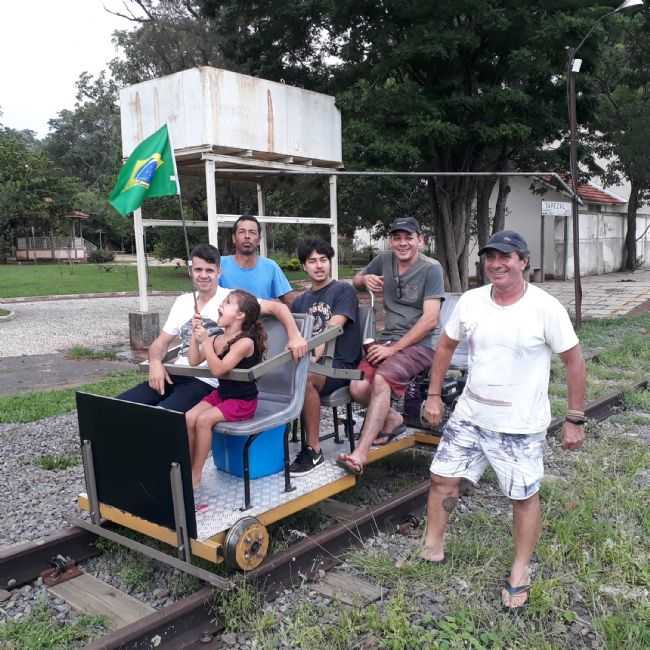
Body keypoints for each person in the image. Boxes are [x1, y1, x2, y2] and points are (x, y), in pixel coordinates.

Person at [421, 230, 586, 610]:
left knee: (522, 496)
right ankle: (433, 545)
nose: (496, 264)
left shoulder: (545, 308)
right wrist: (433, 394)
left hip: (519, 424)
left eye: (506, 257)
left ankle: (520, 569)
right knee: (442, 479)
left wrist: (575, 418)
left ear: (523, 261)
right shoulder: (472, 302)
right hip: (470, 414)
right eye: (490, 257)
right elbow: (445, 345)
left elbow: (574, 362)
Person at [118, 243, 307, 412]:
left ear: (219, 272)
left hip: (206, 381)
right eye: (198, 269)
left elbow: (278, 307)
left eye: (209, 270)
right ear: (191, 272)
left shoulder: (232, 300)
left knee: (162, 415)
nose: (203, 275)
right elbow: (160, 343)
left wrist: (294, 336)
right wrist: (156, 363)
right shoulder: (182, 301)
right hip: (175, 374)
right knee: (121, 405)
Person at [336, 216, 444, 475]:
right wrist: (366, 280)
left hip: (421, 345)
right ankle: (393, 420)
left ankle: (359, 455)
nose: (403, 243)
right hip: (388, 339)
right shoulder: (385, 260)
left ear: (420, 240)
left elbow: (430, 320)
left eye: (409, 237)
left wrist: (393, 350)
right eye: (397, 237)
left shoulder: (432, 269)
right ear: (391, 240)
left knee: (382, 379)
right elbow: (356, 279)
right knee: (357, 385)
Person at [288, 239, 362, 476]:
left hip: (340, 366)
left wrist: (311, 356)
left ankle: (314, 449)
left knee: (305, 377)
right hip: (311, 363)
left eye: (323, 260)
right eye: (312, 261)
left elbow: (332, 328)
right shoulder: (300, 301)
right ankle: (270, 445)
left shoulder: (343, 290)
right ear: (304, 267)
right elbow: (293, 334)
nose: (319, 266)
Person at [185, 290, 265, 488]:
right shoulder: (217, 338)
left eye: (227, 302)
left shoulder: (244, 343)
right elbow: (194, 361)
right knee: (188, 417)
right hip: (222, 395)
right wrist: (195, 338)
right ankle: (186, 465)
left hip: (242, 401)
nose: (220, 305)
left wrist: (205, 341)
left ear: (240, 315)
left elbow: (219, 369)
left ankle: (196, 474)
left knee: (203, 421)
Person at [219, 215, 294, 303]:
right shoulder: (219, 264)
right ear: (234, 238)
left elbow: (290, 302)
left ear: (259, 240)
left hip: (262, 316)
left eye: (252, 232)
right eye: (242, 232)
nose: (247, 236)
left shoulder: (270, 267)